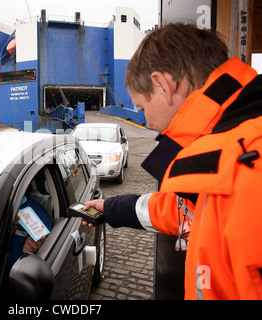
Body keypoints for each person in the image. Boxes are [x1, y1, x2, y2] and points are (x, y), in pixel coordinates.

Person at [83, 23, 262, 299]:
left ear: (162, 85)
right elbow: (184, 210)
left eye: (142, 107)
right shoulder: (229, 153)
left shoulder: (249, 166)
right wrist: (111, 208)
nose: (146, 121)